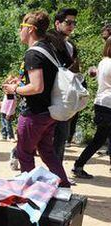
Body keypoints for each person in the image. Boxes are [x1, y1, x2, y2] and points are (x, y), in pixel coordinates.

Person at [2, 11, 71, 187]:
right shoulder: (48, 49)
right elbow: (43, 82)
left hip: (34, 114)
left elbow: (37, 87)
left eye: (21, 28)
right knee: (47, 152)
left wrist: (14, 88)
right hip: (49, 113)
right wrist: (21, 81)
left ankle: (30, 193)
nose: (19, 32)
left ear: (31, 29)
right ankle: (64, 187)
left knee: (24, 153)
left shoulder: (33, 53)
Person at [72, 38, 111, 178]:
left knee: (99, 139)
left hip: (101, 103)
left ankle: (78, 165)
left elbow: (94, 73)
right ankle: (78, 166)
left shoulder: (103, 62)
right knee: (99, 139)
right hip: (109, 104)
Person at [49, 8, 81, 159]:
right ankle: (17, 152)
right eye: (68, 22)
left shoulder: (71, 46)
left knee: (61, 137)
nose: (71, 25)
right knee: (36, 136)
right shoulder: (47, 40)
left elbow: (74, 70)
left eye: (74, 23)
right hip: (46, 96)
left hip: (63, 98)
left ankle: (57, 176)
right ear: (57, 23)